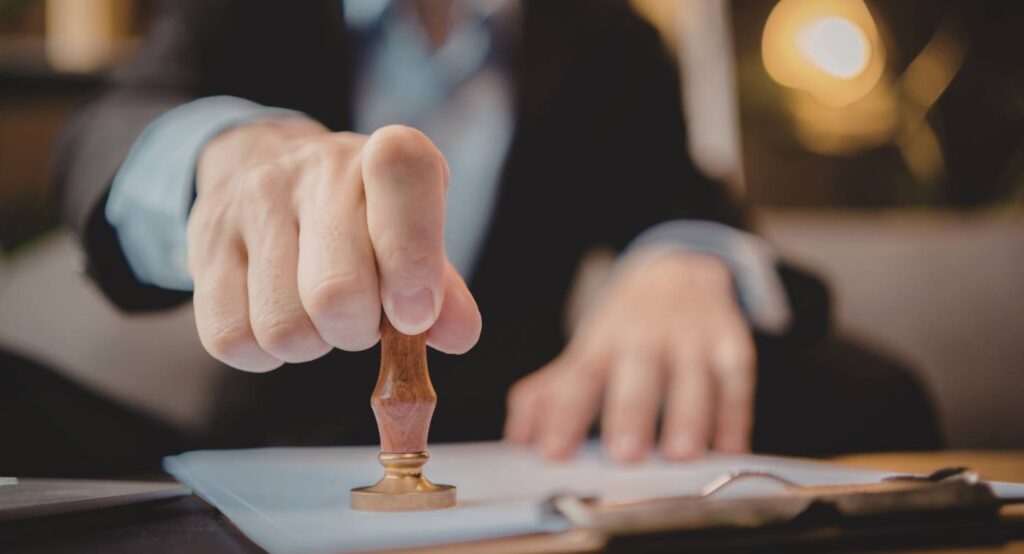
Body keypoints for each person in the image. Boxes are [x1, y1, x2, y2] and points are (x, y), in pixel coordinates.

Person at [46, 0, 940, 474]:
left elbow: (689, 199)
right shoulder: (245, 11)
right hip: (271, 444)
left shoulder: (610, 38)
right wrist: (222, 156)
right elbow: (111, 126)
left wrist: (683, 260)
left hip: (525, 446)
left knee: (874, 390)